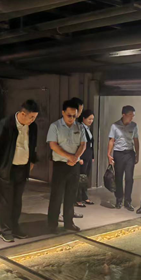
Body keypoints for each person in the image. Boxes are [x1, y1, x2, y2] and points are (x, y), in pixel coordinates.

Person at [0, 100, 39, 243]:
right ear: (23, 114)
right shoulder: (6, 124)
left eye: (34, 117)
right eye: (31, 117)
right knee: (6, 201)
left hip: (22, 168)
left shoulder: (33, 126)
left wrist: (32, 160)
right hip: (7, 168)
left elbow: (33, 144)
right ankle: (6, 230)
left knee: (17, 200)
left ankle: (15, 227)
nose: (33, 120)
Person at [47, 99, 86, 233]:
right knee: (56, 195)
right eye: (69, 115)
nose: (72, 118)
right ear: (63, 112)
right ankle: (52, 224)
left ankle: (69, 222)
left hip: (74, 165)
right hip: (60, 165)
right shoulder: (55, 126)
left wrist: (75, 158)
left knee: (71, 195)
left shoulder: (79, 127)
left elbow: (83, 144)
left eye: (74, 116)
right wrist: (70, 157)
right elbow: (53, 145)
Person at [108, 105, 140, 211]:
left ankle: (128, 201)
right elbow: (111, 140)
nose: (132, 117)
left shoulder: (134, 126)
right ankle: (119, 199)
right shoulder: (115, 126)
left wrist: (137, 154)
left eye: (133, 115)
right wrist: (109, 154)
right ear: (123, 115)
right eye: (130, 115)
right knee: (118, 177)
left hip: (130, 153)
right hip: (118, 153)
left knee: (129, 178)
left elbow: (136, 140)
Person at [76, 109, 95, 207]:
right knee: (80, 178)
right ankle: (78, 199)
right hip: (82, 157)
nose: (91, 121)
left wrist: (92, 156)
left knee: (85, 178)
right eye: (89, 119)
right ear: (83, 118)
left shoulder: (88, 128)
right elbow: (78, 144)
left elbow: (91, 144)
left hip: (88, 156)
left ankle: (85, 197)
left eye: (92, 119)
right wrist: (79, 157)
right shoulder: (80, 128)